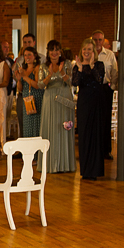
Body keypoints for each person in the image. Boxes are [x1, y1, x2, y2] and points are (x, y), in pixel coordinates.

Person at [39, 40, 75, 172]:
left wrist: (62, 73)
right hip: (50, 99)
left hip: (64, 97)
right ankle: (50, 164)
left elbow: (71, 82)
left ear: (60, 52)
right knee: (51, 128)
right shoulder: (43, 66)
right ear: (48, 52)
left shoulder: (66, 64)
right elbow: (41, 85)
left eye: (57, 50)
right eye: (51, 50)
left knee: (64, 128)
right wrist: (49, 74)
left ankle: (65, 164)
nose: (54, 53)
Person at [72, 39, 107, 180]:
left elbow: (99, 80)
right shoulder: (78, 66)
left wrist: (91, 66)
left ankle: (95, 170)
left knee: (95, 134)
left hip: (97, 103)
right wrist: (80, 69)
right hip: (84, 103)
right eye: (84, 49)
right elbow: (75, 83)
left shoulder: (99, 65)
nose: (86, 52)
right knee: (84, 134)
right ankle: (85, 170)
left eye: (90, 50)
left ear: (94, 52)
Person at [92, 30, 118, 160]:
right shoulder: (87, 52)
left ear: (103, 41)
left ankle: (106, 150)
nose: (97, 42)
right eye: (95, 40)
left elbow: (115, 72)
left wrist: (111, 88)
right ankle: (93, 149)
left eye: (100, 40)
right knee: (92, 120)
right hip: (90, 89)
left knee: (105, 120)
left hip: (104, 88)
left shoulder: (109, 55)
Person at [14, 47, 43, 137]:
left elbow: (38, 85)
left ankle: (36, 150)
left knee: (35, 126)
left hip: (36, 99)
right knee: (26, 126)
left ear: (35, 56)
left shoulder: (38, 68)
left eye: (29, 55)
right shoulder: (24, 69)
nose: (27, 57)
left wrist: (25, 77)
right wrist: (19, 80)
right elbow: (20, 89)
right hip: (26, 100)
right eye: (25, 55)